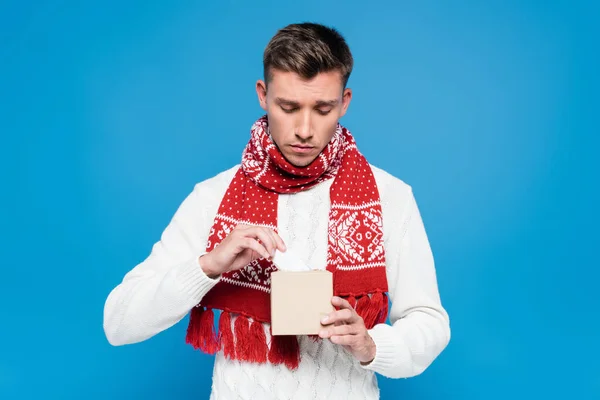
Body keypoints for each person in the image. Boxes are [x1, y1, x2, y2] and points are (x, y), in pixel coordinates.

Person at [103, 22, 451, 400]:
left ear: (345, 102)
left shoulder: (390, 197)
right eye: (288, 107)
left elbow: (429, 322)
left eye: (323, 109)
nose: (304, 129)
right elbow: (118, 322)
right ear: (263, 95)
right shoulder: (214, 197)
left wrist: (372, 347)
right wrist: (207, 267)